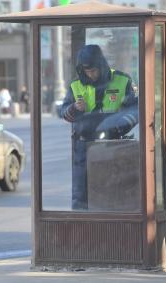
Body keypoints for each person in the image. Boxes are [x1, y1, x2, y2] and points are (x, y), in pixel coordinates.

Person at [60, 44, 138, 210]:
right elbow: (64, 112)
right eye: (87, 71)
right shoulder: (76, 86)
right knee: (81, 192)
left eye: (94, 70)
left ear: (102, 66)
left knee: (115, 189)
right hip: (83, 145)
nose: (91, 74)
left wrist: (119, 126)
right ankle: (81, 226)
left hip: (114, 143)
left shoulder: (122, 80)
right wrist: (74, 108)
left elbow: (135, 110)